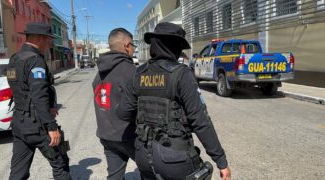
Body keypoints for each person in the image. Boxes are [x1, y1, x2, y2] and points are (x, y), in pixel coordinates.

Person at [116, 22, 231, 180]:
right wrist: (221, 161)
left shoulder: (138, 74)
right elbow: (200, 121)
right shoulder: (182, 75)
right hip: (174, 159)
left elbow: (122, 113)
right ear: (175, 47)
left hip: (143, 155)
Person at [7, 22, 71, 180]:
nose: (50, 43)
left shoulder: (15, 59)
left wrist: (49, 105)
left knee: (18, 171)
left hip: (19, 122)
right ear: (39, 39)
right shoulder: (35, 61)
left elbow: (20, 88)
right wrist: (51, 126)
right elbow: (38, 95)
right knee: (60, 162)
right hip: (37, 125)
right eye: (49, 39)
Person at [92, 28, 137, 180]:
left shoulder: (99, 73)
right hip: (129, 135)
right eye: (133, 45)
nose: (133, 49)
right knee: (152, 171)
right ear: (126, 45)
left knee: (115, 176)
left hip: (106, 135)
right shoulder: (130, 70)